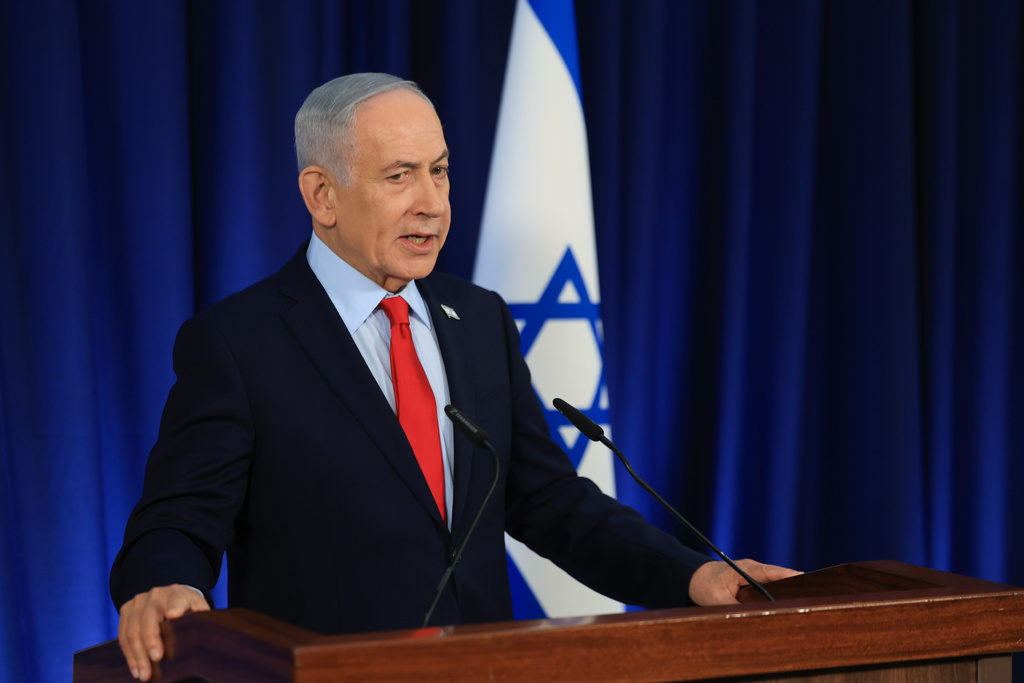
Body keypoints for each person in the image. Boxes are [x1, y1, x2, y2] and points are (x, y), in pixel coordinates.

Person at [111, 72, 798, 681]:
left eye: (439, 172)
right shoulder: (240, 342)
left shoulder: (477, 318)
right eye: (399, 175)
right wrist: (166, 582)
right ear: (322, 195)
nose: (432, 203)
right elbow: (178, 514)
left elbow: (547, 500)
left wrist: (690, 571)